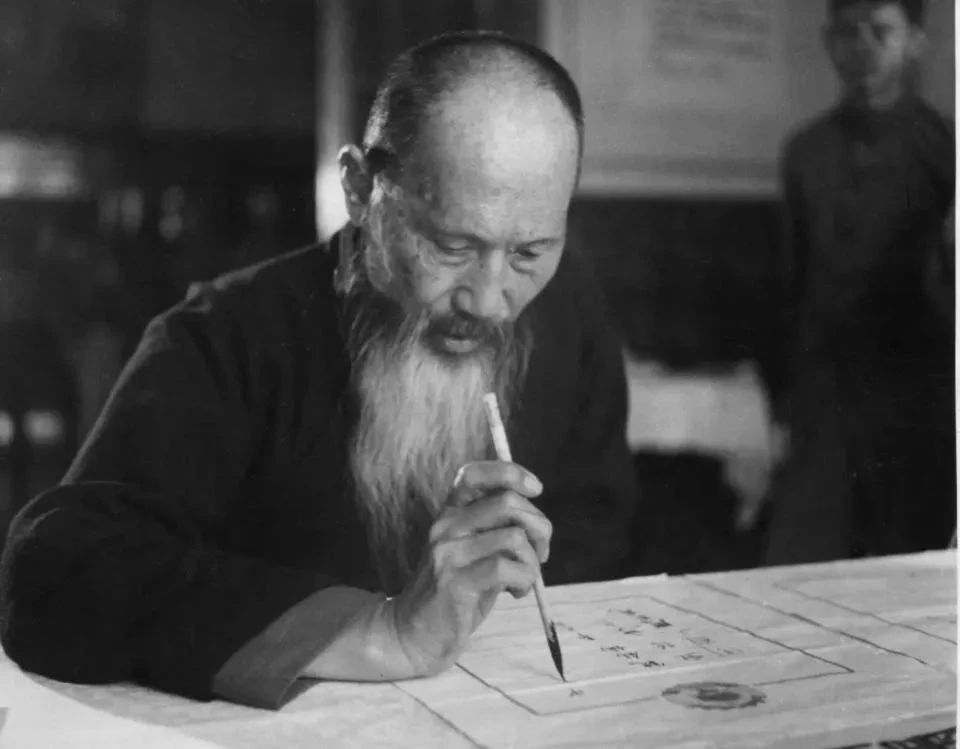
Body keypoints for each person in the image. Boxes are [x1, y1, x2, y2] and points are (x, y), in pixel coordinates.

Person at [0, 32, 636, 709]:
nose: (488, 301)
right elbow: (56, 574)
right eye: (452, 246)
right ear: (360, 189)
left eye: (529, 252)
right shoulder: (228, 336)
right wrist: (382, 630)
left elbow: (598, 526)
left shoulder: (569, 313)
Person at [762, 0, 955, 564]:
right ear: (829, 42)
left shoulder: (944, 148)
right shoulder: (806, 151)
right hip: (825, 393)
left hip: (915, 394)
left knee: (909, 559)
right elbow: (791, 280)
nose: (863, 48)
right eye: (848, 33)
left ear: (915, 40)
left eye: (881, 32)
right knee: (806, 557)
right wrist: (784, 394)